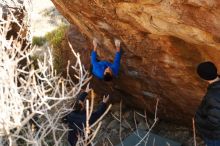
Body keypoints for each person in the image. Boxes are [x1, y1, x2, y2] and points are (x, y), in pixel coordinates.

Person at [195, 61, 220, 146]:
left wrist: (199, 121)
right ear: (216, 71)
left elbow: (213, 122)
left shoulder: (213, 96)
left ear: (203, 78)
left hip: (215, 136)